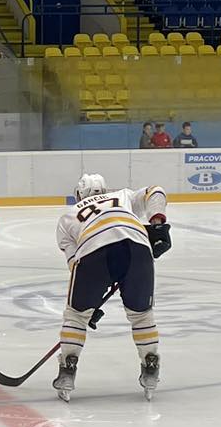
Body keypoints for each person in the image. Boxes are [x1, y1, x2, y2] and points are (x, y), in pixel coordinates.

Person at [51, 172, 171, 401]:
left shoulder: (68, 216)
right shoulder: (124, 196)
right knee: (141, 315)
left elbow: (75, 263)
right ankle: (150, 365)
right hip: (138, 245)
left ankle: (67, 370)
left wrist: (89, 303)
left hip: (92, 248)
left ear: (79, 194)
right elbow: (156, 189)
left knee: (76, 315)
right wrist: (156, 223)